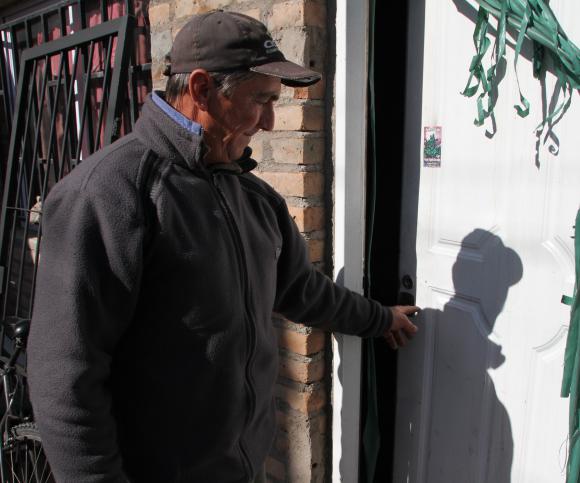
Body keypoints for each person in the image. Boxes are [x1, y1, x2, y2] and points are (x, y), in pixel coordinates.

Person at [27, 10, 418, 483]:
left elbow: (303, 291)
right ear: (201, 89)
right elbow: (66, 377)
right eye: (261, 100)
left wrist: (380, 318)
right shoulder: (107, 193)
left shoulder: (255, 199)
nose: (269, 123)